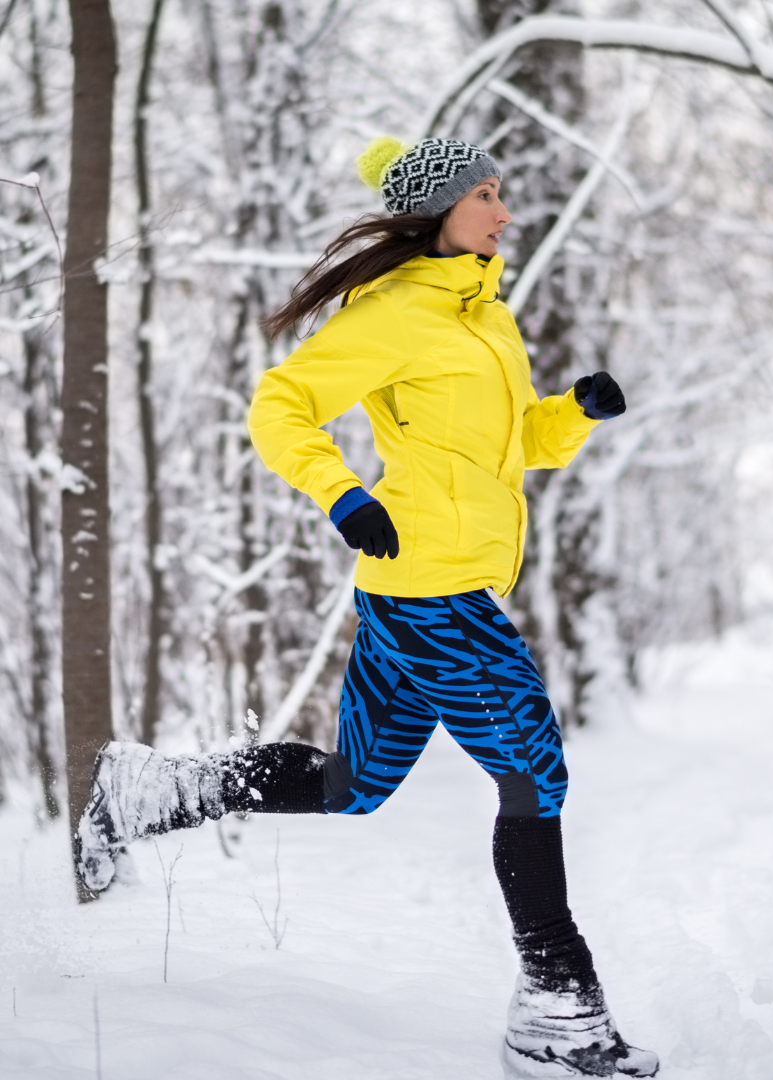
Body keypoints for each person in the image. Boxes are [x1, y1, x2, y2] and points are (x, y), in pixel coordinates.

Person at [75, 136, 659, 1079]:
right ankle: (558, 1007)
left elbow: (514, 453)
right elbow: (281, 403)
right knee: (534, 776)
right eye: (487, 195)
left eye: (500, 193)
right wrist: (345, 495)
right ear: (440, 212)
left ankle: (152, 791)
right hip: (432, 591)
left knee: (355, 788)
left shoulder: (487, 320)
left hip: (425, 591)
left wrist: (574, 414)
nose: (504, 213)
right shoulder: (393, 315)